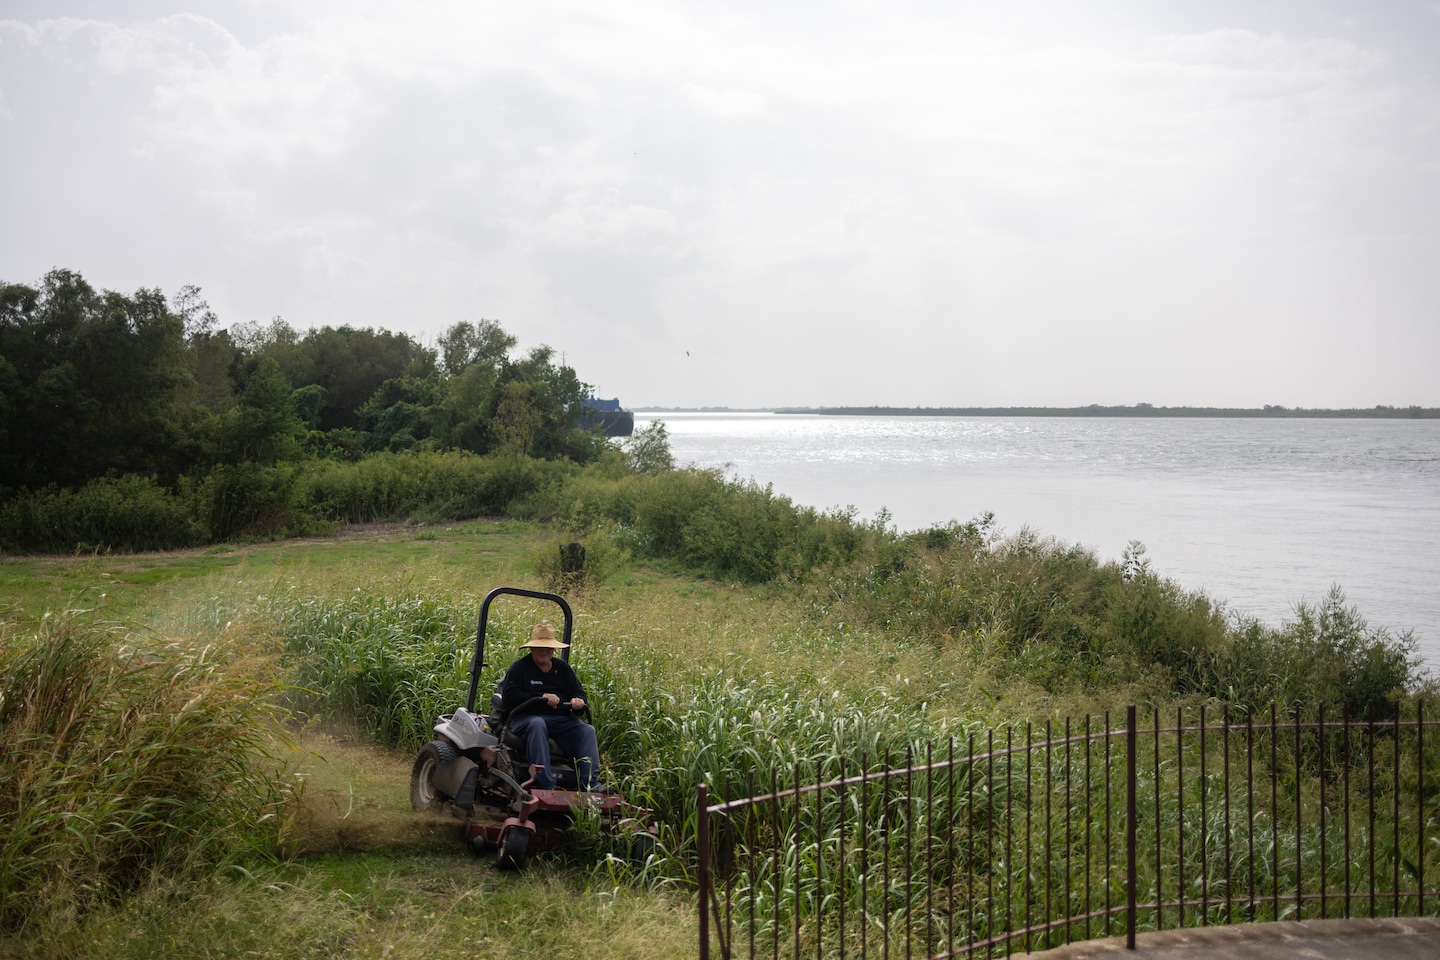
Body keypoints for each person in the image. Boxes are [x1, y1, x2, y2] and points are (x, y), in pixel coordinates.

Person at [499, 623, 603, 791]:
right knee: (538, 724)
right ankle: (545, 785)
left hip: (561, 719)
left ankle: (590, 784)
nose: (544, 651)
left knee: (587, 730)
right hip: (524, 718)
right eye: (540, 647)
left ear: (553, 650)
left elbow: (579, 692)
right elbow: (509, 698)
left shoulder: (562, 669)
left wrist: (578, 701)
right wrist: (541, 697)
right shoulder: (520, 668)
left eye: (548, 648)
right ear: (532, 648)